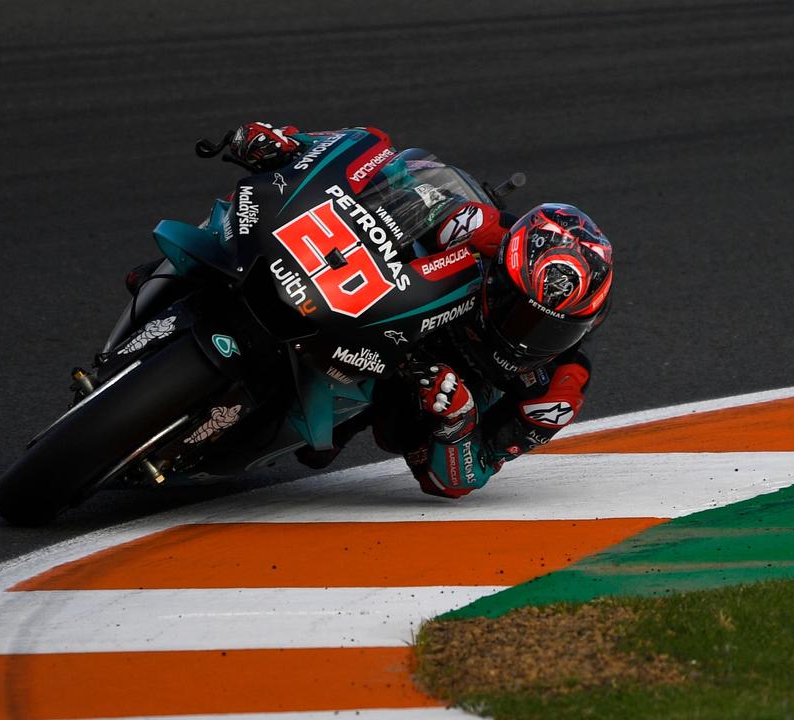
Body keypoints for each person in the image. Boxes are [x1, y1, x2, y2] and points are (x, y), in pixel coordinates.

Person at [230, 122, 614, 498]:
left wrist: (456, 423)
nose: (527, 338)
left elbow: (466, 478)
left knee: (320, 449)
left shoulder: (557, 393)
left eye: (553, 331)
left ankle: (346, 413)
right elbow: (384, 169)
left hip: (432, 384)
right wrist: (294, 145)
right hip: (389, 300)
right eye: (521, 315)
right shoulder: (487, 231)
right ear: (502, 276)